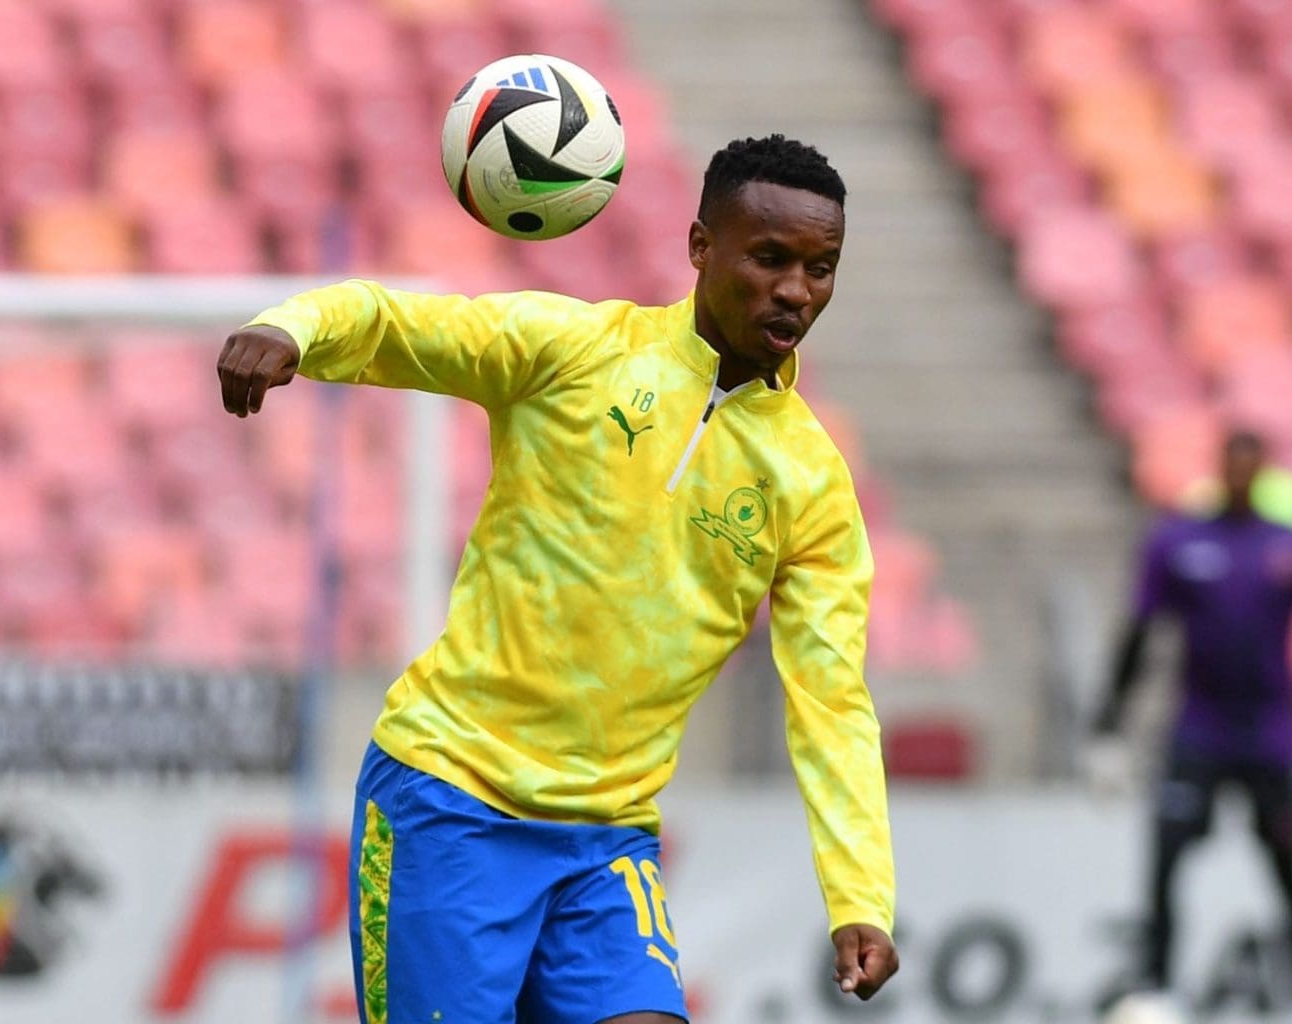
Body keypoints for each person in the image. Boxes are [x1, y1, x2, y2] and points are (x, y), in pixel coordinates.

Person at [216, 135, 897, 1023]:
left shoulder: (811, 480)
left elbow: (831, 699)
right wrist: (294, 329)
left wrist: (859, 896)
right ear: (700, 246)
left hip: (606, 841)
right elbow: (400, 323)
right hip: (449, 803)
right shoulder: (576, 352)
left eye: (821, 267)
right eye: (770, 258)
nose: (797, 290)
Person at [1089, 429, 1292, 1022]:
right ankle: (1154, 989)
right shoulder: (1178, 544)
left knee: (1288, 868)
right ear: (1219, 468)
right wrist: (1109, 726)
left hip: (1271, 735)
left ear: (1263, 472)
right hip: (1199, 729)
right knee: (1167, 857)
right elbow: (1141, 636)